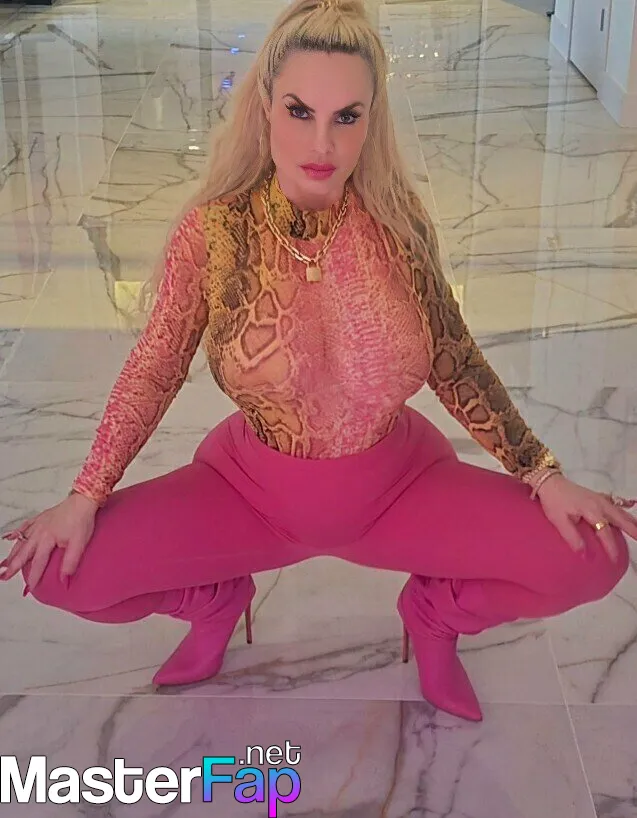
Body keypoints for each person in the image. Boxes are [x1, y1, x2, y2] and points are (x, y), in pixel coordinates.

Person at [1, 0, 635, 722]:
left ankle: (436, 613)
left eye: (347, 116)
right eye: (300, 111)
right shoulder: (215, 232)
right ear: (265, 107)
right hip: (249, 492)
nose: (322, 142)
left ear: (372, 120)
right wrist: (86, 493)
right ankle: (212, 601)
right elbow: (155, 364)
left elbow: (454, 358)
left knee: (594, 555)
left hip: (398, 486)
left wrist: (541, 473)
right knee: (57, 571)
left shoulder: (399, 223)